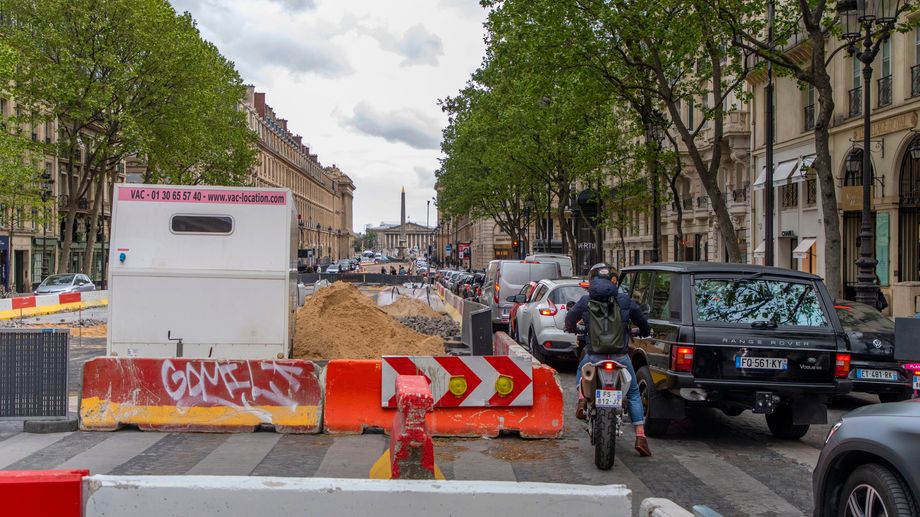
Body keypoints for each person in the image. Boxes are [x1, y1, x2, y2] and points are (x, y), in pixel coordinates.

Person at [564, 262, 653, 457]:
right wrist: (645, 332)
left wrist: (571, 328)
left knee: (581, 371)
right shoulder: (625, 300)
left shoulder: (585, 300)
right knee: (634, 393)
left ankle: (581, 401)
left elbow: (570, 319)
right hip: (621, 357)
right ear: (613, 281)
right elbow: (643, 323)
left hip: (594, 355)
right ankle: (640, 436)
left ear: (592, 281)